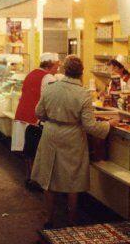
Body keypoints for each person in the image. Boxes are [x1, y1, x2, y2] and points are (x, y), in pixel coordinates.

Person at [31, 55, 118, 228]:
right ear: (81, 73)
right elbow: (90, 126)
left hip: (50, 135)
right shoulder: (83, 94)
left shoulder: (50, 88)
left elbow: (39, 113)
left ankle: (48, 218)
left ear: (64, 70)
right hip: (72, 138)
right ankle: (71, 220)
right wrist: (108, 124)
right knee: (72, 181)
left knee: (49, 178)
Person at [12, 53, 60, 189]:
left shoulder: (32, 73)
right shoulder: (49, 77)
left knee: (28, 151)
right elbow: (53, 99)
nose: (58, 68)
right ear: (51, 65)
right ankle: (36, 181)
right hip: (35, 118)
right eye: (57, 66)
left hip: (23, 115)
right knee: (35, 151)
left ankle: (29, 178)